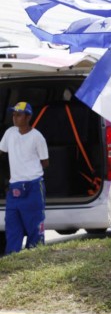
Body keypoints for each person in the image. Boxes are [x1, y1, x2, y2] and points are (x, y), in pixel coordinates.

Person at [1, 101, 49, 254]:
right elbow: (2, 150)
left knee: (34, 226)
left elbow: (45, 162)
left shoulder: (37, 137)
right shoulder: (10, 133)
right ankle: (12, 258)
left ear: (28, 117)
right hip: (15, 187)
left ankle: (34, 259)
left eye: (19, 115)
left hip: (33, 186)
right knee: (12, 226)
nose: (15, 118)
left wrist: (29, 171)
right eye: (13, 114)